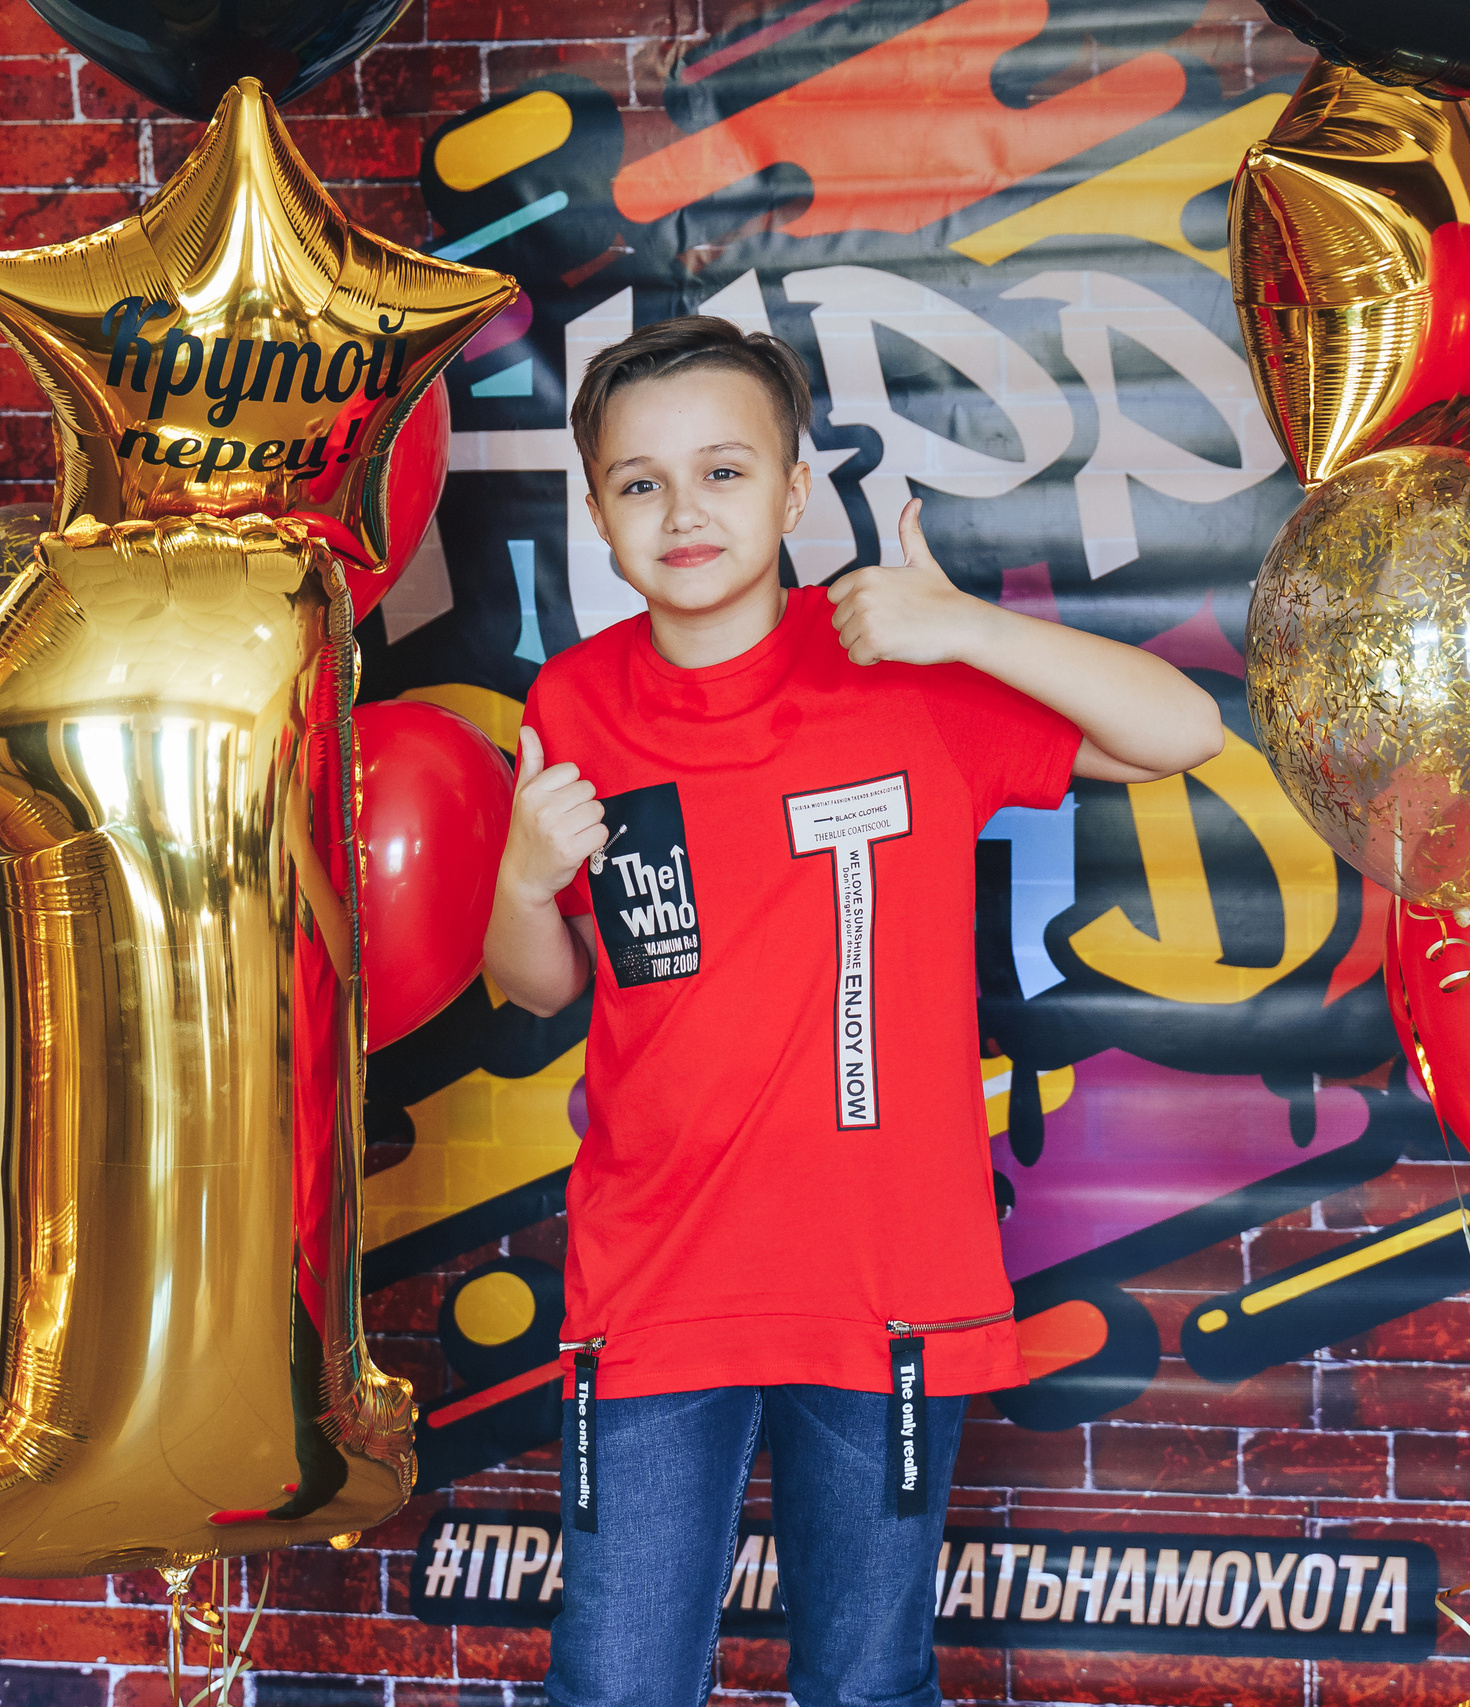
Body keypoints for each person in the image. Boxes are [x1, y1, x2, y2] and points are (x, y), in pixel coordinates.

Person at [482, 315, 1224, 1707]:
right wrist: (524, 885)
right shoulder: (574, 701)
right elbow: (547, 983)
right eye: (638, 484)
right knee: (613, 1684)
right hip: (654, 1282)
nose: (682, 512)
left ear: (794, 490)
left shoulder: (897, 660)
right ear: (593, 511)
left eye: (723, 472)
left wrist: (961, 625)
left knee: (867, 1684)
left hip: (884, 1280)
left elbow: (1181, 732)